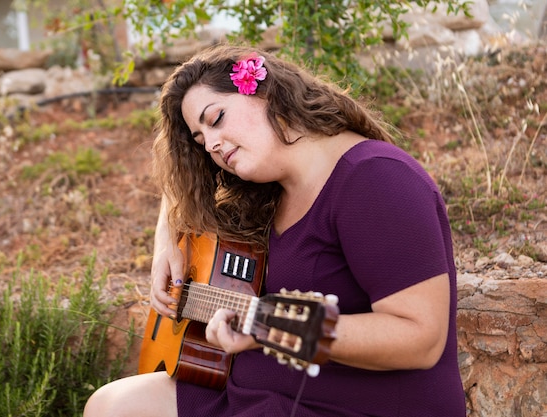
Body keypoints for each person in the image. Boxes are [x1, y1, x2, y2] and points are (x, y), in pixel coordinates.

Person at [83, 44, 466, 417]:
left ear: (264, 90)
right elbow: (180, 184)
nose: (213, 144)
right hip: (259, 393)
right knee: (110, 407)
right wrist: (165, 240)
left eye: (216, 119)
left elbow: (421, 339)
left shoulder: (375, 179)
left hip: (351, 405)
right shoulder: (268, 191)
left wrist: (268, 323)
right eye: (201, 142)